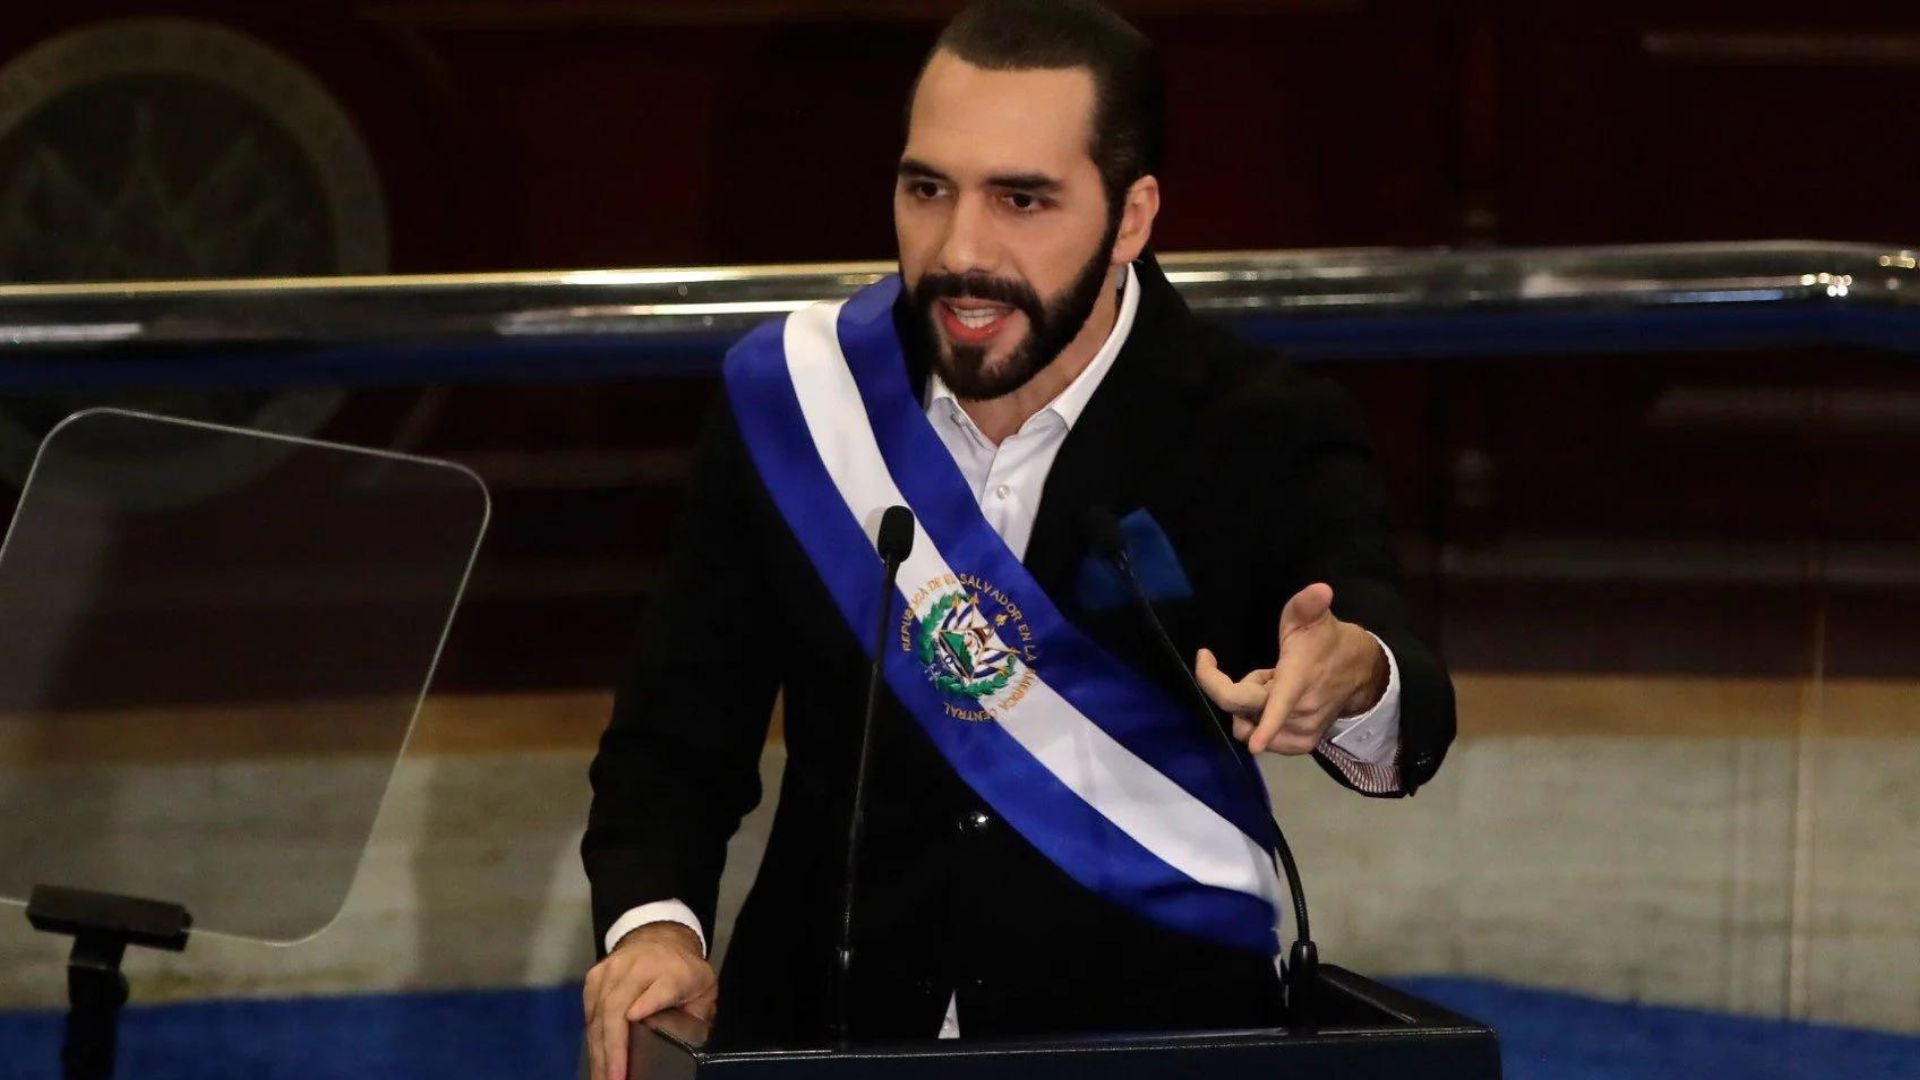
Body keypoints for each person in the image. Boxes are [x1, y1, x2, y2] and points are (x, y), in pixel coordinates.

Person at [580, 1, 1454, 1075]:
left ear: (1131, 218)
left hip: (1161, 1039)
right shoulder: (801, 402)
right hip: (824, 1031)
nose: (960, 251)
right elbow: (673, 741)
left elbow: (1399, 690)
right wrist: (656, 929)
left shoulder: (1258, 425)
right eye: (926, 190)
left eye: (1022, 200)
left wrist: (1355, 679)